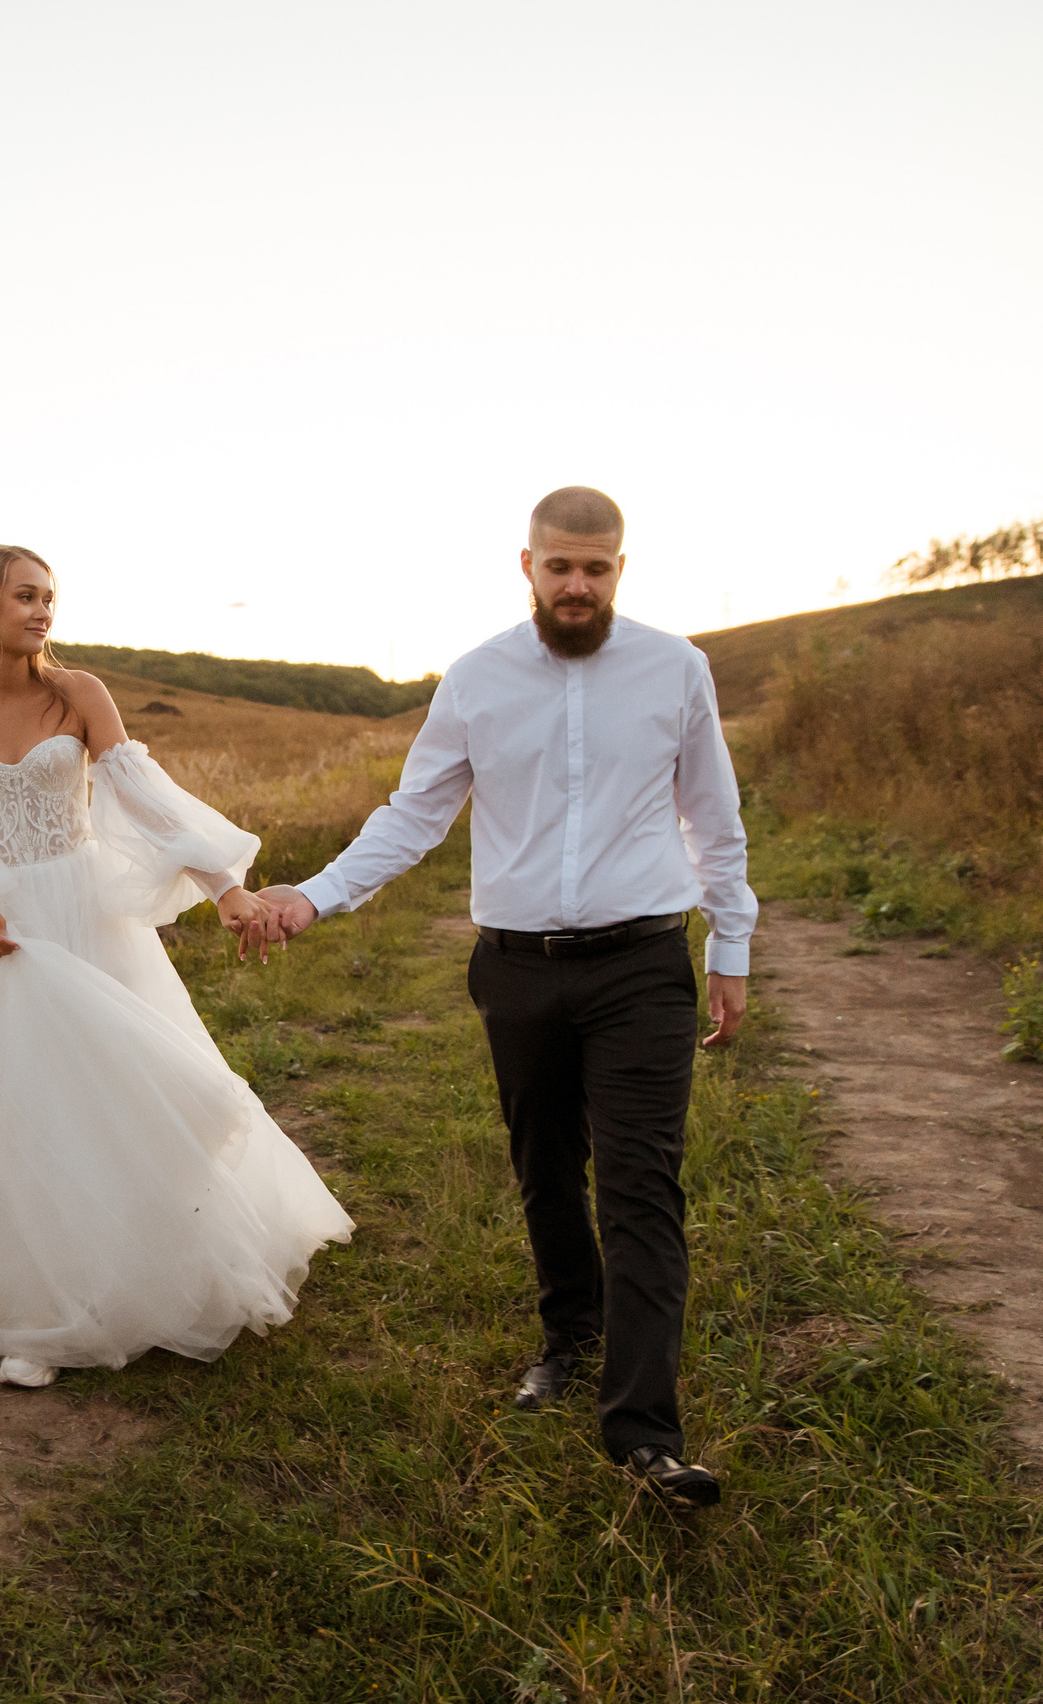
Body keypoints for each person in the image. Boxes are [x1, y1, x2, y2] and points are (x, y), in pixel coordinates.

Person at [250, 487, 755, 1505]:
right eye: (559, 566)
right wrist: (313, 897)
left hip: (640, 965)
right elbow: (414, 813)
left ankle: (645, 1435)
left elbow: (711, 811)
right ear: (524, 564)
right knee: (543, 1166)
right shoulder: (476, 679)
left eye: (596, 568)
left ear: (621, 568)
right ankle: (569, 1338)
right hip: (516, 968)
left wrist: (731, 941)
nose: (577, 585)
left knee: (641, 1183)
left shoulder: (675, 669)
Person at [0, 544, 355, 1387]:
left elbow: (145, 801)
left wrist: (224, 888)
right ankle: (42, 1320)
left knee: (128, 1095)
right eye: (24, 597)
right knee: (21, 1115)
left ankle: (159, 1282)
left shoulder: (79, 694)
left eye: (49, 596)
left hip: (87, 916)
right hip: (2, 934)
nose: (42, 610)